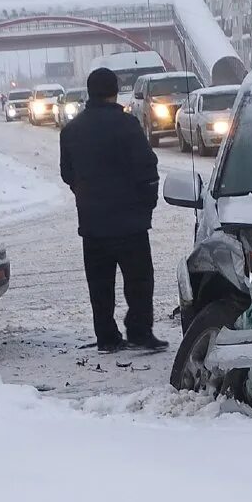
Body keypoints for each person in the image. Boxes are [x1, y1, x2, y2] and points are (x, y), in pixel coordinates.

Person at [60, 67, 168, 353]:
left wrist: (85, 192)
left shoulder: (72, 129)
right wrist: (148, 202)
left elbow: (67, 173)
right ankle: (140, 332)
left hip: (93, 223)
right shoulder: (127, 125)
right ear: (114, 91)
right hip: (130, 222)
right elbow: (147, 167)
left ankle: (107, 337)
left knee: (100, 284)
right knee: (139, 281)